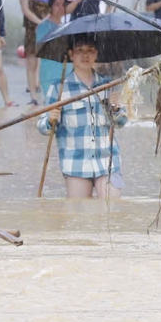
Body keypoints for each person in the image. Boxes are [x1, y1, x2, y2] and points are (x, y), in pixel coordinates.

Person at [51, 35, 116, 199]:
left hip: (108, 160)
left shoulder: (108, 86)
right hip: (76, 163)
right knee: (79, 216)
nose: (85, 55)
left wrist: (117, 107)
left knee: (113, 209)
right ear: (71, 54)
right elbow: (44, 127)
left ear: (96, 55)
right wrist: (50, 119)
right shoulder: (58, 88)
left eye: (90, 51)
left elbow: (121, 122)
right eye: (80, 50)